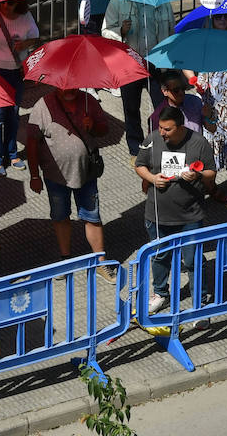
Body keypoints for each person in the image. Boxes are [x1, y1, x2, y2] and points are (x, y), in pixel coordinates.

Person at [25, 87, 118, 280]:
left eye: (73, 85)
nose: (69, 90)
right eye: (64, 86)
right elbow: (32, 143)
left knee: (92, 217)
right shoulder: (42, 106)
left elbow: (104, 129)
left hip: (86, 174)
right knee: (60, 217)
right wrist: (34, 175)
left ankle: (101, 262)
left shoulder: (88, 101)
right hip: (54, 176)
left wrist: (92, 125)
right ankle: (65, 260)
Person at [134, 107, 216, 314]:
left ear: (180, 127)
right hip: (158, 215)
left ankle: (200, 300)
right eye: (161, 128)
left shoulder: (199, 142)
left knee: (193, 260)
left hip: (190, 215)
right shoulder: (152, 139)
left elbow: (211, 173)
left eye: (167, 129)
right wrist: (152, 178)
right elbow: (139, 165)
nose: (162, 133)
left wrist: (197, 176)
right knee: (160, 256)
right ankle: (161, 294)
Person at [102, 0, 175, 155]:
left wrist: (169, 63)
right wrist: (120, 31)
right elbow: (105, 31)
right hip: (129, 63)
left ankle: (162, 145)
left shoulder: (163, 1)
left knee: (162, 107)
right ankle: (136, 149)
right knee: (131, 108)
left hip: (156, 64)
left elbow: (171, 31)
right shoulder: (118, 1)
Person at [0, 0, 40, 175]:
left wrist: (23, 44)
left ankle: (11, 154)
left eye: (10, 3)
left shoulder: (25, 16)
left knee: (13, 113)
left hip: (15, 71)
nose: (5, 6)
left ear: (18, 3)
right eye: (1, 2)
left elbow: (34, 37)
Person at [194, 17, 227, 201]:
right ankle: (210, 188)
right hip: (211, 109)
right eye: (217, 17)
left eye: (226, 17)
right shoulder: (205, 46)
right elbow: (199, 81)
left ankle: (209, 186)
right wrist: (198, 86)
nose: (222, 19)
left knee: (222, 149)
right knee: (210, 152)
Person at [148, 72, 204, 137]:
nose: (181, 92)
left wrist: (209, 116)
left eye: (183, 88)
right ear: (165, 91)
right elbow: (155, 143)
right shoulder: (157, 117)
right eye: (176, 90)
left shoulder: (195, 101)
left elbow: (211, 128)